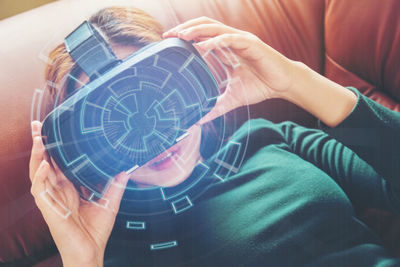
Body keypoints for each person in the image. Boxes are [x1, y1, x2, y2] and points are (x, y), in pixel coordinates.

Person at [29, 8, 400, 267]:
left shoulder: (270, 139)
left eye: (154, 97)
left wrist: (295, 82)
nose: (150, 131)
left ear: (187, 82)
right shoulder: (103, 240)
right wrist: (83, 261)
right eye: (115, 122)